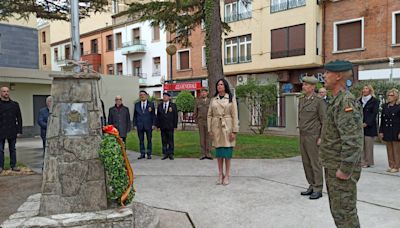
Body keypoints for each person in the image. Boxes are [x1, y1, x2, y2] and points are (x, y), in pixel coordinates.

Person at [320, 60, 363, 228]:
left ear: (338, 76)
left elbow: (353, 140)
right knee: (339, 212)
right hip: (333, 165)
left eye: (327, 73)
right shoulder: (337, 100)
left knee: (345, 214)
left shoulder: (346, 102)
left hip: (340, 169)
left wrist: (345, 169)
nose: (324, 76)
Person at [298, 76, 325, 200]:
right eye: (303, 85)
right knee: (306, 162)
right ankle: (312, 185)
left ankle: (318, 188)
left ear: (313, 87)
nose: (303, 87)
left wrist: (321, 137)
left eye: (306, 85)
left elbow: (324, 121)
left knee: (315, 163)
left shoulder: (319, 101)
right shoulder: (302, 100)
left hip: (313, 136)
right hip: (303, 135)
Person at [207, 79, 239, 186]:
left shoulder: (231, 98)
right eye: (218, 85)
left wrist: (234, 130)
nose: (219, 86)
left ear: (225, 86)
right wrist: (210, 129)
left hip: (227, 127)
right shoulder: (213, 99)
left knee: (227, 153)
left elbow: (235, 115)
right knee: (219, 153)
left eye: (221, 84)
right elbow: (209, 115)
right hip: (216, 127)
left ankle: (227, 175)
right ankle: (220, 174)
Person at [0, 86, 22, 173]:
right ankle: (0, 166)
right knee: (0, 150)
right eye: (4, 91)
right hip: (1, 130)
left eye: (7, 91)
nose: (6, 93)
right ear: (1, 93)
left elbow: (19, 118)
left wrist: (19, 130)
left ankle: (13, 165)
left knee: (12, 149)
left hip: (12, 130)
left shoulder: (15, 104)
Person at [379, 88, 400, 173]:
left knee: (396, 150)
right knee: (389, 149)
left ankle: (397, 166)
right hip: (387, 130)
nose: (389, 97)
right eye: (388, 95)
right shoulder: (385, 106)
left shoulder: (399, 106)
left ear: (396, 96)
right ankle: (391, 165)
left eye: (391, 95)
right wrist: (381, 131)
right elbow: (383, 120)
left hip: (396, 130)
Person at [359, 85, 380, 168]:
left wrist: (367, 123)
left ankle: (368, 162)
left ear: (370, 90)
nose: (364, 90)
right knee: (361, 145)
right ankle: (362, 161)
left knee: (368, 145)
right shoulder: (359, 100)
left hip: (369, 126)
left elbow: (374, 113)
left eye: (366, 88)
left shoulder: (375, 101)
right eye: (363, 88)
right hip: (359, 126)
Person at [133, 90, 156, 159]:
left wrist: (153, 124)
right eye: (140, 95)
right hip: (139, 125)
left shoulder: (151, 104)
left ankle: (149, 153)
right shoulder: (137, 104)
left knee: (149, 140)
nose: (142, 96)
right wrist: (135, 124)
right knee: (141, 140)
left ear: (146, 96)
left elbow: (153, 115)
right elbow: (135, 115)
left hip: (148, 125)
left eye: (143, 94)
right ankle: (142, 153)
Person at [156, 92, 178, 160]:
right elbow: (158, 116)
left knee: (170, 140)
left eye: (166, 96)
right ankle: (165, 153)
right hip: (162, 126)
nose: (164, 97)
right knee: (164, 140)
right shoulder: (160, 105)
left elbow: (175, 116)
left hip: (170, 126)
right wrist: (158, 126)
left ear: (169, 97)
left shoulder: (173, 105)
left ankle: (171, 153)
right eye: (164, 96)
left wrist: (175, 126)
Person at [194, 88, 212, 160]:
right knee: (202, 138)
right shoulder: (198, 101)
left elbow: (213, 111)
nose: (203, 93)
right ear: (200, 93)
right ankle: (202, 153)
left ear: (207, 93)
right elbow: (195, 112)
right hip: (201, 121)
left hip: (208, 121)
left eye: (204, 92)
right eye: (202, 92)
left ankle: (208, 153)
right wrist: (196, 122)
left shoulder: (210, 101)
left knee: (208, 138)